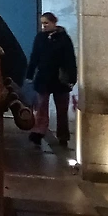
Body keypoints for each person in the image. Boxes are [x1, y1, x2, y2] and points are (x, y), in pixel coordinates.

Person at [27, 11, 78, 147]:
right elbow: (34, 56)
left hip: (60, 79)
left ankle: (63, 136)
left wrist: (72, 78)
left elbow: (70, 59)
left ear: (54, 22)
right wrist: (29, 74)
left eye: (46, 23)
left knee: (62, 109)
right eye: (42, 23)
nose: (44, 26)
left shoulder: (64, 39)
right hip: (44, 77)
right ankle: (38, 132)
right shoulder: (40, 37)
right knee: (41, 107)